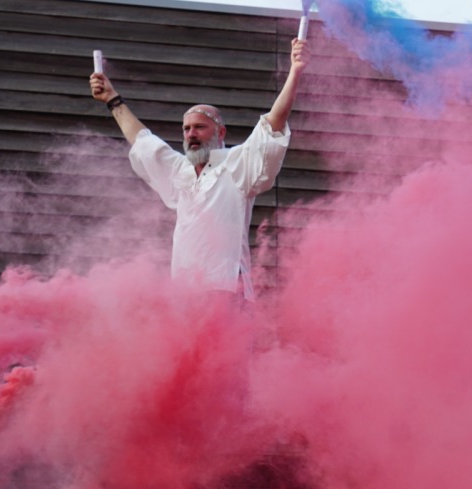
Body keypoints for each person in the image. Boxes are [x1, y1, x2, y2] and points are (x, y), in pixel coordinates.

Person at [89, 39, 310, 302]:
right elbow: (143, 141)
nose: (191, 134)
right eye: (186, 129)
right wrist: (112, 100)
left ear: (220, 133)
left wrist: (295, 71)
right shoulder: (179, 169)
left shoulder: (237, 163)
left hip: (227, 291)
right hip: (185, 294)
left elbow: (273, 124)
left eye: (199, 127)